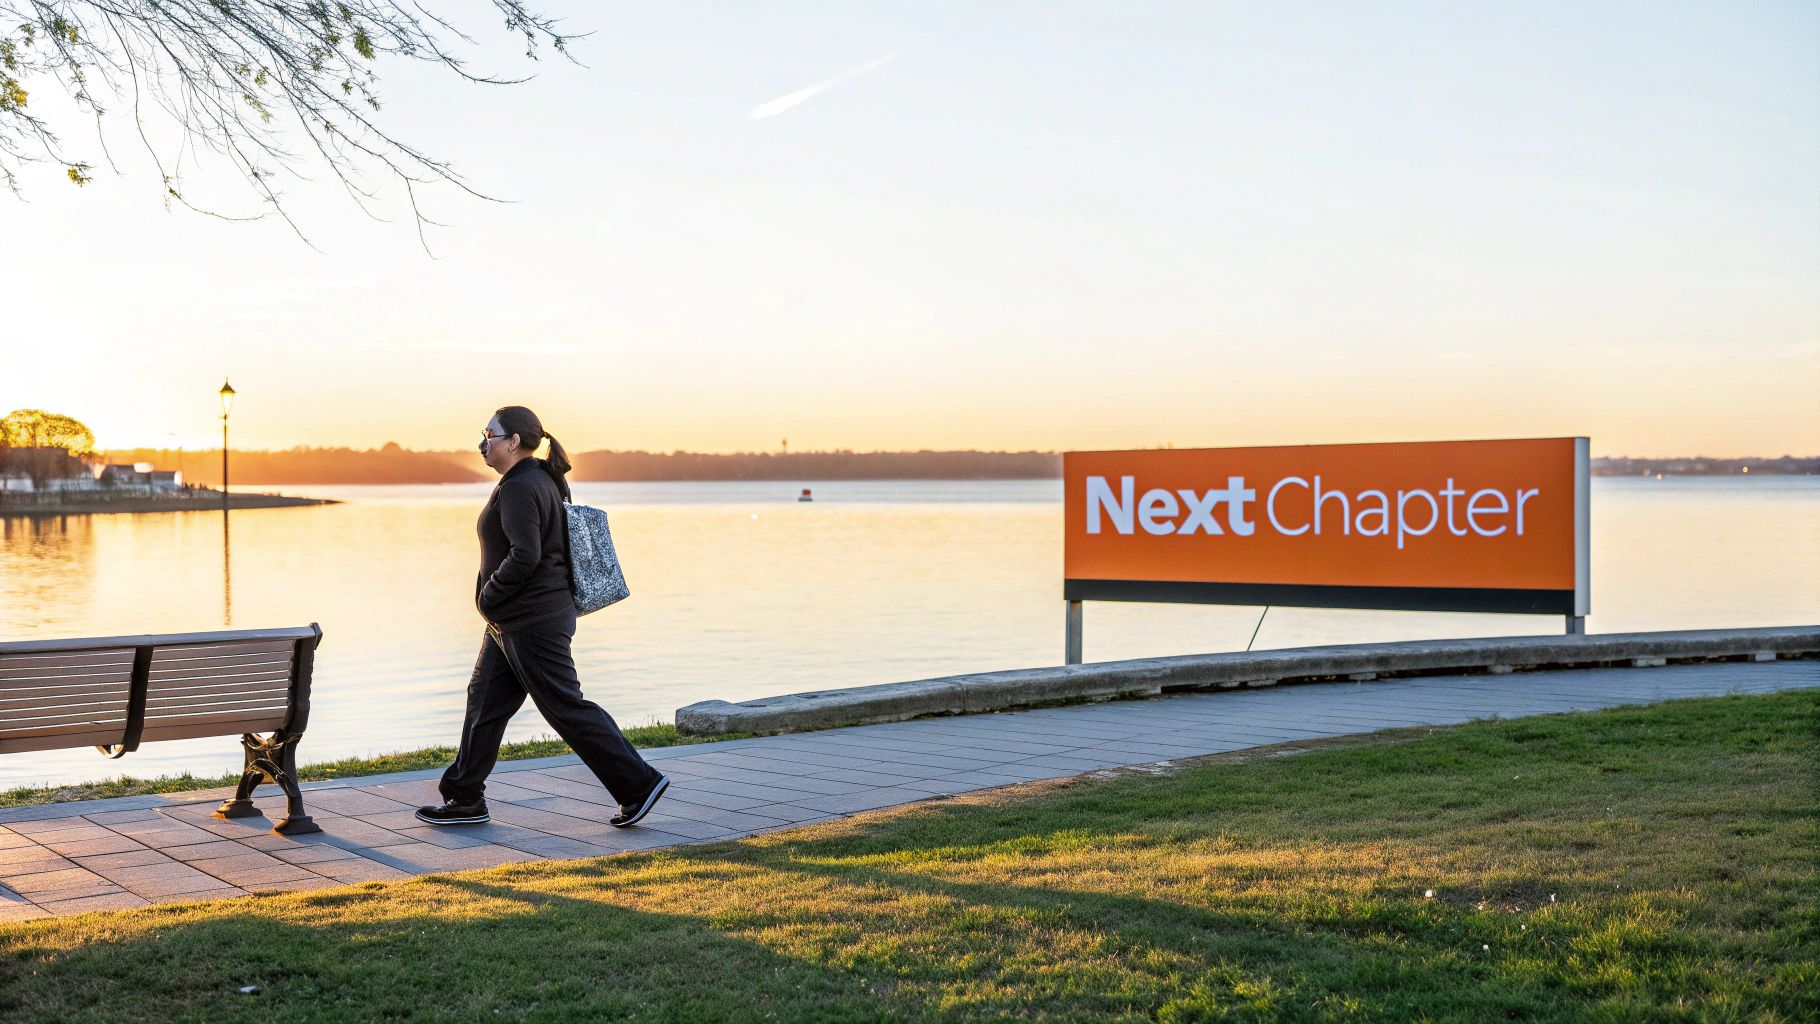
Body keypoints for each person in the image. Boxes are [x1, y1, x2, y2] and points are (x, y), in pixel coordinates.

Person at [416, 406, 669, 828]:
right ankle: (464, 798)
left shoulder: (521, 486)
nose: (483, 443)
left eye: (489, 434)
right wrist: (493, 608)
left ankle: (638, 784)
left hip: (531, 621)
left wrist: (488, 597)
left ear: (513, 441)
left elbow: (526, 554)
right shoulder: (537, 479)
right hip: (514, 621)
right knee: (484, 705)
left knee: (564, 705)